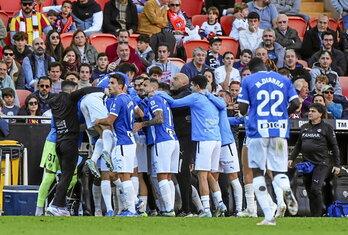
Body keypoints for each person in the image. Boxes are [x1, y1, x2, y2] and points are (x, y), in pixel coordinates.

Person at [237, 57, 300, 225]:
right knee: (279, 171)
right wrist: (283, 114)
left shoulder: (248, 79)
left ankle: (268, 217)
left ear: (251, 69)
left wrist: (249, 109)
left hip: (259, 132)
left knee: (258, 173)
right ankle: (286, 190)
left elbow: (242, 109)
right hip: (279, 132)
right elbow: (296, 102)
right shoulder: (284, 79)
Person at [155, 75, 225, 217]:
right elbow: (223, 105)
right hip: (217, 140)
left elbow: (174, 103)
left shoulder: (195, 97)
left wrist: (159, 93)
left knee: (202, 175)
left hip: (204, 139)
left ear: (197, 87)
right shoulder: (213, 99)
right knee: (211, 175)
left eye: (192, 86)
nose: (191, 89)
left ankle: (205, 210)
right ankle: (220, 203)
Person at [46, 81, 103, 216]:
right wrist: (103, 89)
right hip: (70, 143)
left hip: (59, 142)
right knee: (67, 175)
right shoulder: (70, 98)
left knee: (64, 175)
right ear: (72, 91)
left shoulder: (53, 101)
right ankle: (55, 205)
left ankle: (60, 205)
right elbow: (85, 90)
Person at [134, 78, 180, 217]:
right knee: (168, 177)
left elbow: (159, 119)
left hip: (162, 140)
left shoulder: (155, 99)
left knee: (161, 176)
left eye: (145, 85)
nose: (142, 87)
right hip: (173, 139)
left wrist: (142, 124)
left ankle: (168, 210)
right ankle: (169, 208)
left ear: (154, 87)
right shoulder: (162, 100)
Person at [289, 103, 341, 217]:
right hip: (307, 164)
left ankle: (319, 215)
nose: (310, 113)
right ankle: (314, 216)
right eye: (309, 111)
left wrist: (337, 164)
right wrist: (291, 159)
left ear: (320, 114)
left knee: (315, 190)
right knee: (310, 192)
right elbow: (298, 145)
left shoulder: (327, 128)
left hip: (321, 164)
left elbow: (334, 146)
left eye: (313, 111)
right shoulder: (304, 127)